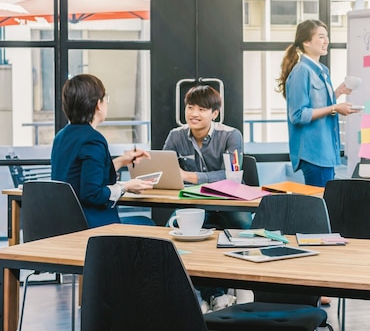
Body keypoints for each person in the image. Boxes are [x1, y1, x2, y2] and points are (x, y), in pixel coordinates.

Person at [51, 74, 155, 228]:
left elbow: (81, 176)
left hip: (65, 223)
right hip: (91, 226)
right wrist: (125, 187)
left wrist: (122, 160)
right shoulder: (93, 139)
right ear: (98, 105)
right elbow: (92, 195)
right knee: (147, 224)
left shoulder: (61, 136)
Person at [277, 19, 358, 188]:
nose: (326, 41)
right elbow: (298, 115)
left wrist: (338, 93)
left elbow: (317, 105)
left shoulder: (321, 70)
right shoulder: (301, 71)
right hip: (314, 153)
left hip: (326, 151)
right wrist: (335, 107)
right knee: (320, 209)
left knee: (324, 206)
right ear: (306, 42)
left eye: (326, 36)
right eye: (321, 37)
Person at [163, 84, 251, 230]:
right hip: (194, 201)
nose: (194, 114)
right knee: (172, 228)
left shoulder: (231, 135)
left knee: (243, 227)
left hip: (230, 200)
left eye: (201, 109)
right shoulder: (176, 135)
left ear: (215, 114)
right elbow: (165, 170)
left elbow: (230, 176)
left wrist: (189, 176)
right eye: (190, 107)